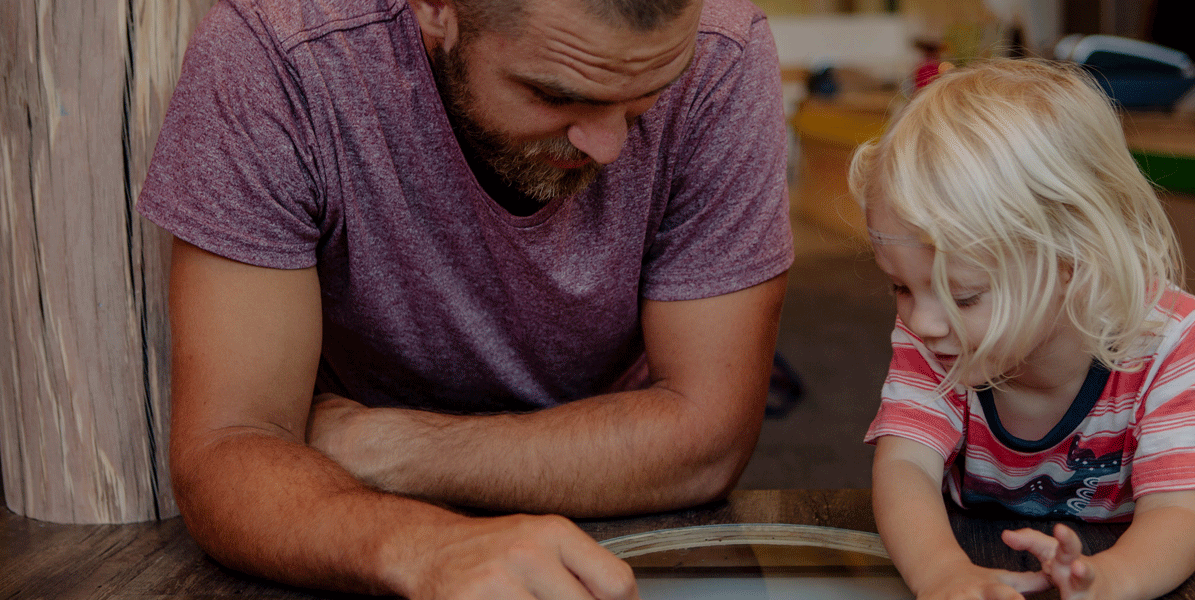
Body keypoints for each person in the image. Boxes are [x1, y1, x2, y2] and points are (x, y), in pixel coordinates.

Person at [137, 0, 794, 597]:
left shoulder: (722, 47)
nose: (611, 143)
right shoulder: (278, 51)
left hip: (591, 507)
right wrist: (424, 545)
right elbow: (230, 446)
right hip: (339, 514)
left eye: (650, 93)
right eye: (553, 94)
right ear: (434, 10)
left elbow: (706, 437)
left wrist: (388, 446)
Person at [850, 59, 1195, 600]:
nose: (921, 322)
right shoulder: (940, 333)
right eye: (900, 288)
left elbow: (1179, 513)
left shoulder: (1171, 339)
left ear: (1073, 260)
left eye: (964, 295)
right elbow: (905, 465)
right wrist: (938, 571)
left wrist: (1109, 582)